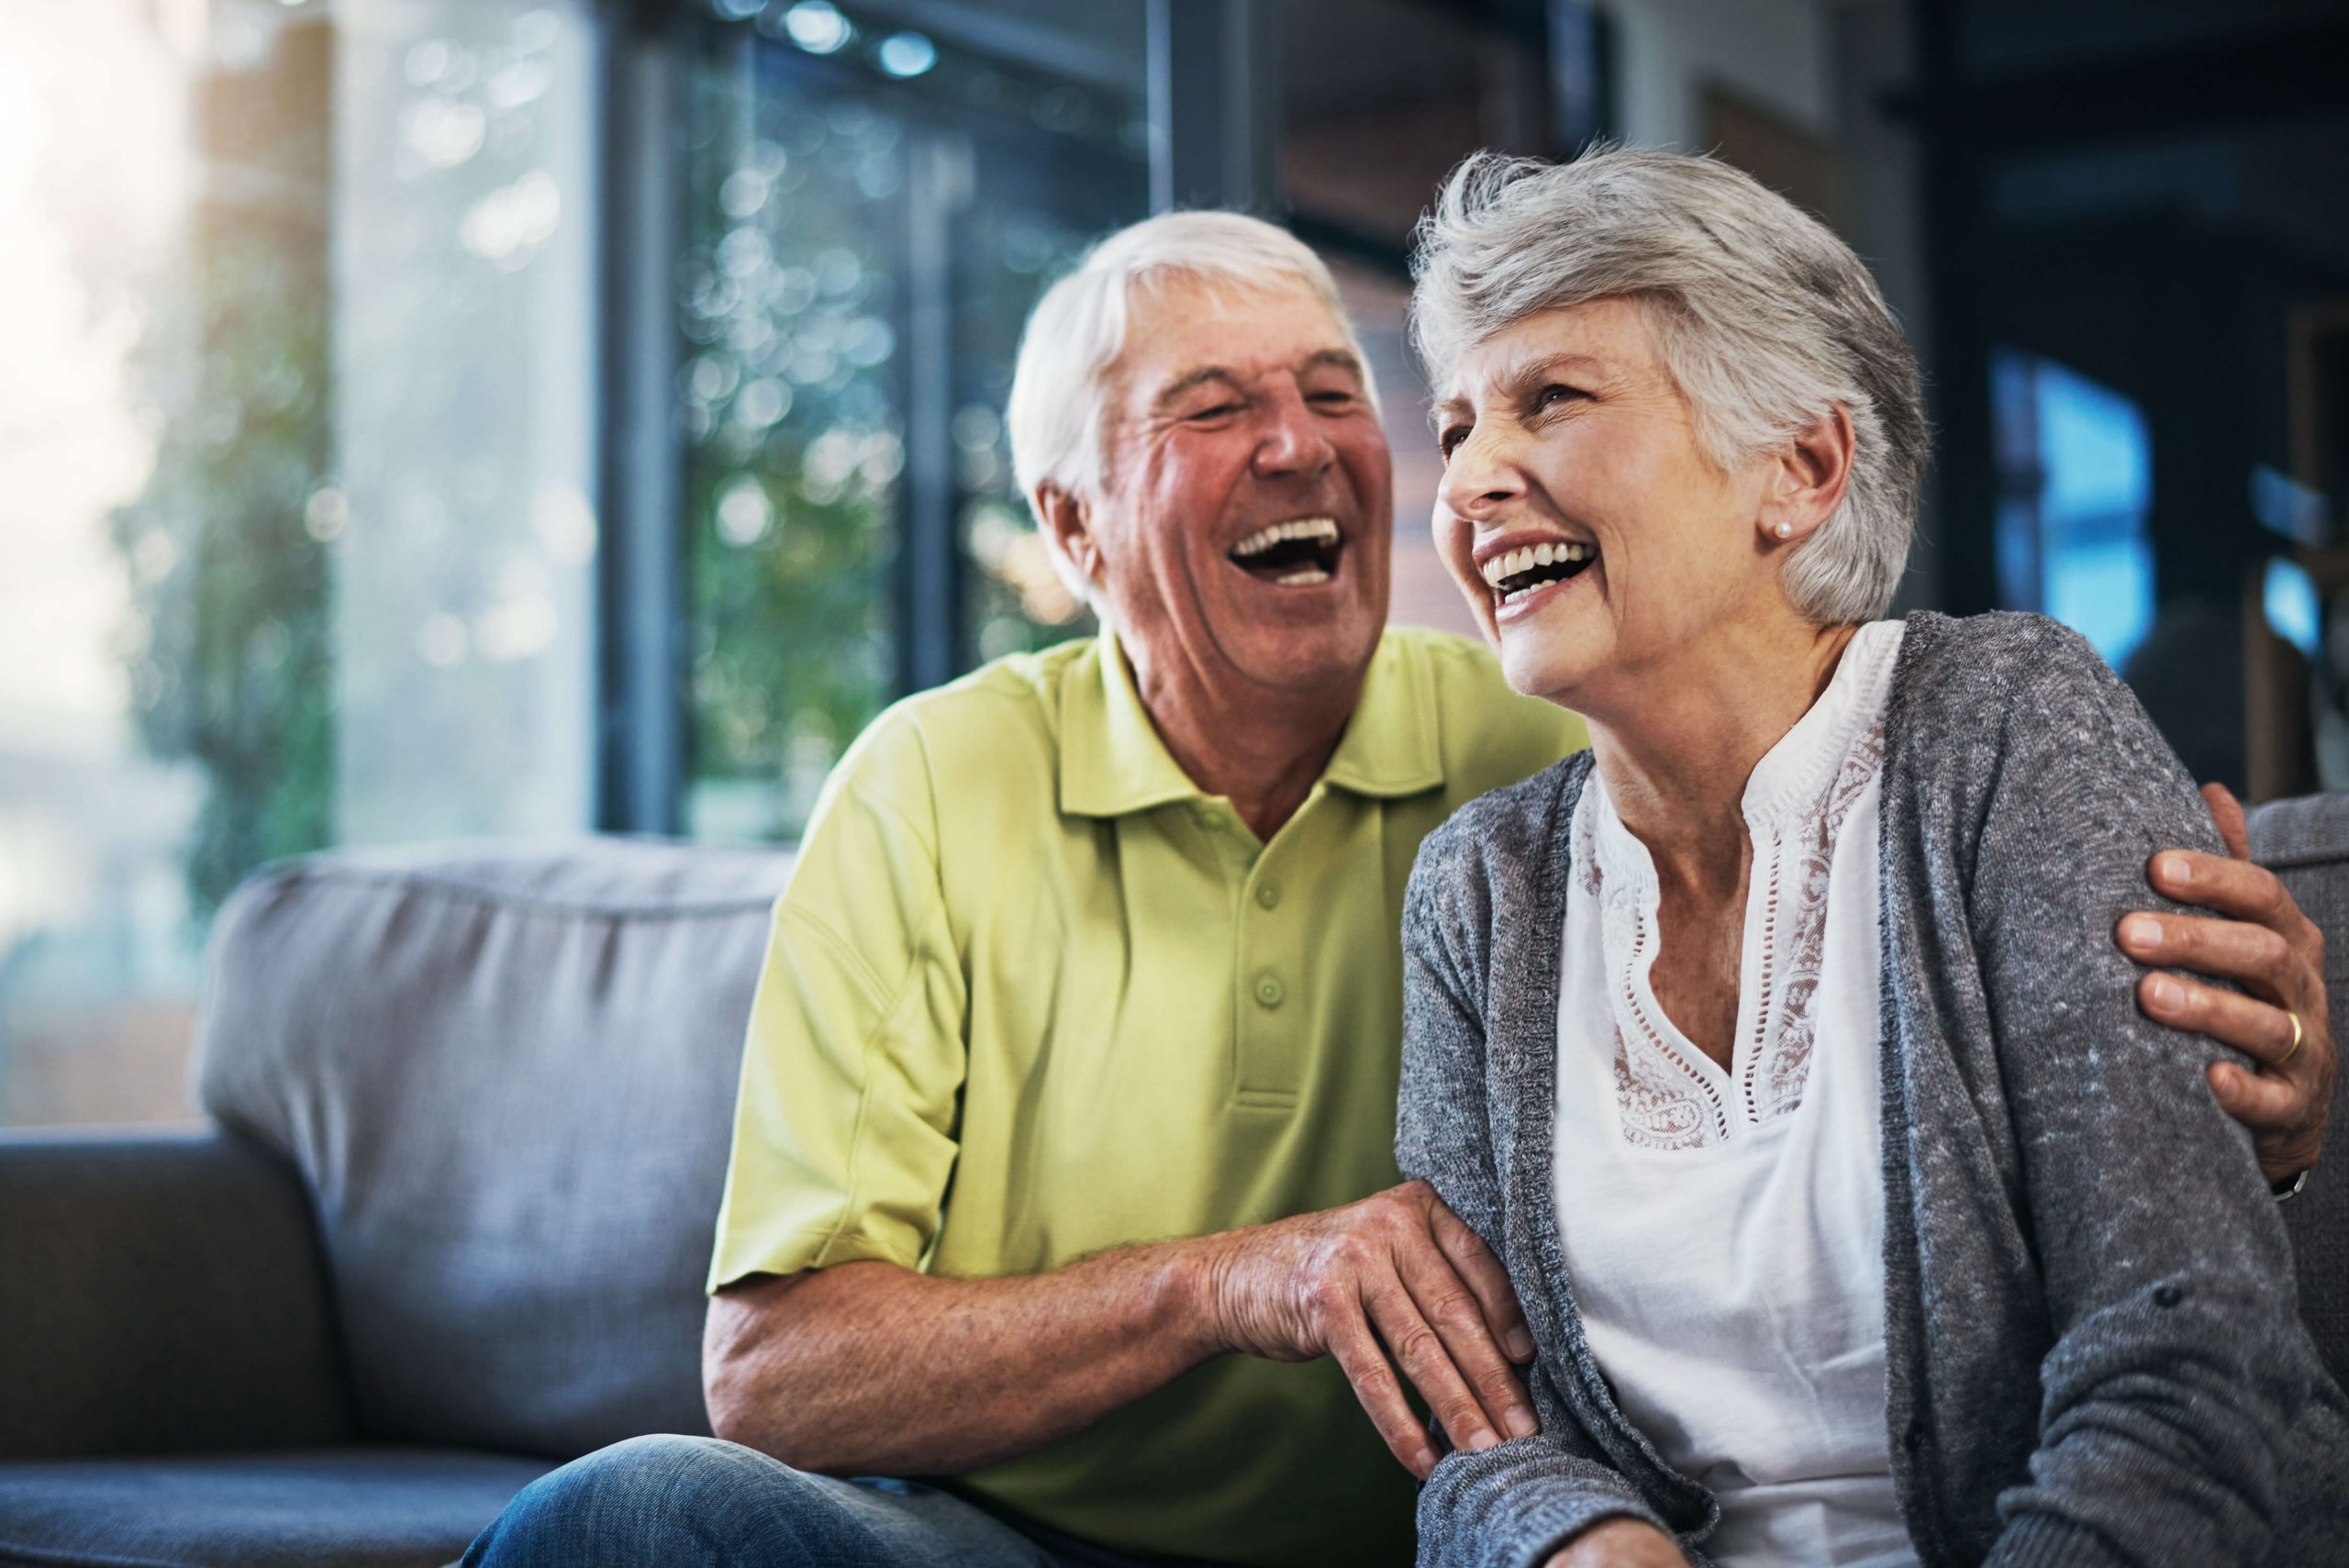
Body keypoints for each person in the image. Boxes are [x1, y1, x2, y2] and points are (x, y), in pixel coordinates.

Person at [464, 211, 2334, 1568]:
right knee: (632, 1522)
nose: (1347, 453)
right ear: (1067, 529)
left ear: (1798, 467)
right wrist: (1241, 1288)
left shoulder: (1671, 736)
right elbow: (776, 1371)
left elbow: (2172, 1320)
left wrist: (2249, 1110)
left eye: (1340, 394)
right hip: (1018, 1541)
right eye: (1210, 405)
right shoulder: (1464, 861)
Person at [1396, 146, 2346, 1568]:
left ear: (1801, 467)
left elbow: (2189, 1368)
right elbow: (1485, 1432)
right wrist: (1579, 1540)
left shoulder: (2012, 728)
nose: (1472, 477)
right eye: (1458, 421)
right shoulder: (1481, 888)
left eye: (1554, 400)